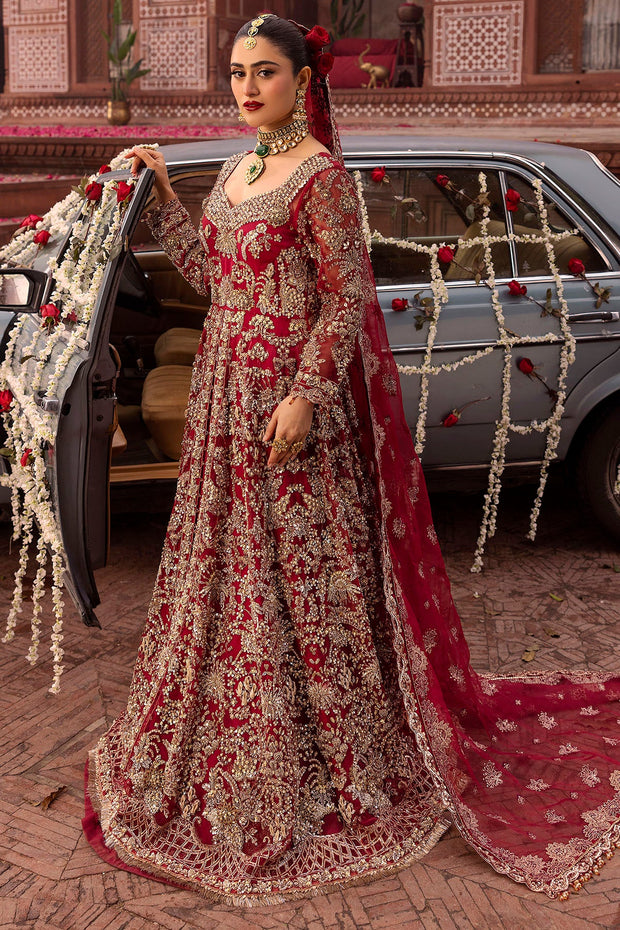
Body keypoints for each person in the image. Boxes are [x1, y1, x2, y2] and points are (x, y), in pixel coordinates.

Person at [83, 12, 620, 905]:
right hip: (225, 398)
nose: (248, 86)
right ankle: (239, 740)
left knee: (299, 580)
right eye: (236, 72)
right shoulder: (238, 170)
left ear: (302, 79)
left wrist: (306, 394)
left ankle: (326, 756)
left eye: (265, 72)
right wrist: (171, 203)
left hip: (292, 404)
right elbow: (217, 278)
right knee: (228, 574)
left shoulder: (318, 175)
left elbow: (343, 301)